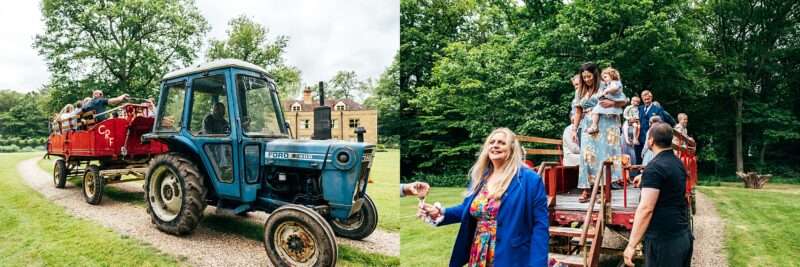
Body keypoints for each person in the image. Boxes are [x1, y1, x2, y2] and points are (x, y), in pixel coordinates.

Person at [418, 128, 548, 267]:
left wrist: (538, 263)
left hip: (511, 255)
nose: (495, 145)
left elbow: (540, 226)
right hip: (479, 251)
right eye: (491, 142)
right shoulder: (480, 177)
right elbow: (468, 208)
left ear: (511, 149)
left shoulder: (530, 180)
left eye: (501, 142)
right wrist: (440, 212)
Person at [624, 123, 693, 267]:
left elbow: (646, 209)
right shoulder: (677, 163)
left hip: (664, 242)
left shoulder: (654, 168)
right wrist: (644, 176)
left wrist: (631, 245)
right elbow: (665, 175)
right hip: (682, 236)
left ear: (651, 141)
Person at [571, 62, 627, 202]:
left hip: (606, 124)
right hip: (588, 126)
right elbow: (578, 111)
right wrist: (574, 129)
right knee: (586, 156)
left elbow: (624, 100)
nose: (587, 79)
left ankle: (604, 191)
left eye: (589, 76)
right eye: (584, 77)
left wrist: (613, 103)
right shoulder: (580, 91)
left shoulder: (606, 85)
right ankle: (586, 189)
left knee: (604, 156)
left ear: (595, 74)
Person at [635, 90, 676, 164]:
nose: (647, 101)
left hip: (652, 138)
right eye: (645, 99)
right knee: (638, 159)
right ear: (642, 98)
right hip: (640, 138)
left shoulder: (658, 109)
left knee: (650, 160)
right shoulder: (639, 109)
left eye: (648, 99)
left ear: (651, 98)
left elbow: (661, 123)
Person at [586, 67, 626, 134]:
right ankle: (594, 125)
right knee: (596, 111)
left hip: (612, 103)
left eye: (605, 77)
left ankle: (594, 125)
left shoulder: (612, 83)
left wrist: (607, 92)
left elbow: (616, 89)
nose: (604, 79)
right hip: (606, 104)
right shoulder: (607, 84)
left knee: (597, 112)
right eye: (603, 77)